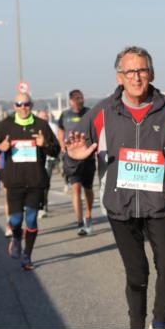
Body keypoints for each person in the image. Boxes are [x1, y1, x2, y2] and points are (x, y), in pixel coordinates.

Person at [66, 47, 165, 329]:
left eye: (142, 70)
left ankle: (160, 324)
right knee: (136, 274)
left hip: (160, 203)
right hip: (120, 206)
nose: (136, 77)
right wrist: (74, 159)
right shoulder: (101, 112)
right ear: (119, 77)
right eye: (130, 72)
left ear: (151, 74)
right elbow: (74, 153)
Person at [0, 92, 60, 271]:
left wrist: (45, 144)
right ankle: (16, 237)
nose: (23, 108)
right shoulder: (6, 125)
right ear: (14, 106)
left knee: (31, 219)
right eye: (19, 104)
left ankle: (27, 255)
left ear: (32, 105)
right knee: (15, 219)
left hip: (35, 181)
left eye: (26, 104)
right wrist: (0, 147)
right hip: (14, 181)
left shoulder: (41, 125)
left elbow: (56, 150)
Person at [57, 89, 96, 235]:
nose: (80, 101)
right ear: (71, 101)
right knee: (75, 188)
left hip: (88, 156)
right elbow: (60, 130)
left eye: (81, 98)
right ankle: (80, 223)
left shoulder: (90, 113)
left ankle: (88, 216)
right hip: (71, 158)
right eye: (76, 99)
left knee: (88, 189)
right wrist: (62, 145)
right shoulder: (65, 115)